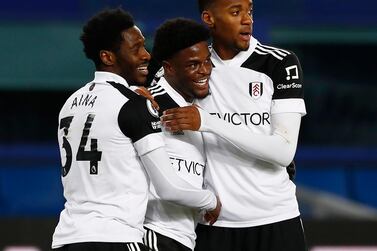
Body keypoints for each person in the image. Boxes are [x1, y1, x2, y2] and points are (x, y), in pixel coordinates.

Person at [51, 8, 220, 251]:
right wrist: (210, 200)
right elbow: (168, 188)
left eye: (144, 46)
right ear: (108, 57)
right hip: (114, 237)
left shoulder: (69, 104)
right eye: (136, 49)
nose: (146, 55)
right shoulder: (134, 104)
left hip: (67, 238)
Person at [161, 0, 308, 250]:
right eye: (235, 12)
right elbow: (152, 97)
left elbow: (283, 152)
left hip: (277, 219)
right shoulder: (193, 64)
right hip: (214, 224)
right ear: (209, 19)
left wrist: (207, 122)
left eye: (249, 11)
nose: (247, 19)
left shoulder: (280, 64)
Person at [141, 18, 220, 251]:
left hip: (184, 236)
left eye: (207, 62)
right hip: (152, 232)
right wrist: (211, 202)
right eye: (193, 65)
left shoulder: (201, 108)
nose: (204, 70)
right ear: (169, 67)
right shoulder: (147, 104)